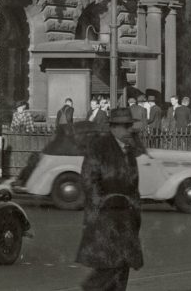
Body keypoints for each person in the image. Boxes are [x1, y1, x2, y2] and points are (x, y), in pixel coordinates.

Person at [76, 107, 144, 291]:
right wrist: (102, 205)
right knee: (108, 266)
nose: (130, 129)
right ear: (113, 127)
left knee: (122, 267)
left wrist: (135, 212)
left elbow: (133, 185)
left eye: (130, 125)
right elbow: (89, 180)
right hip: (106, 218)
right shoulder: (99, 147)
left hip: (126, 219)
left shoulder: (129, 151)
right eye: (125, 126)